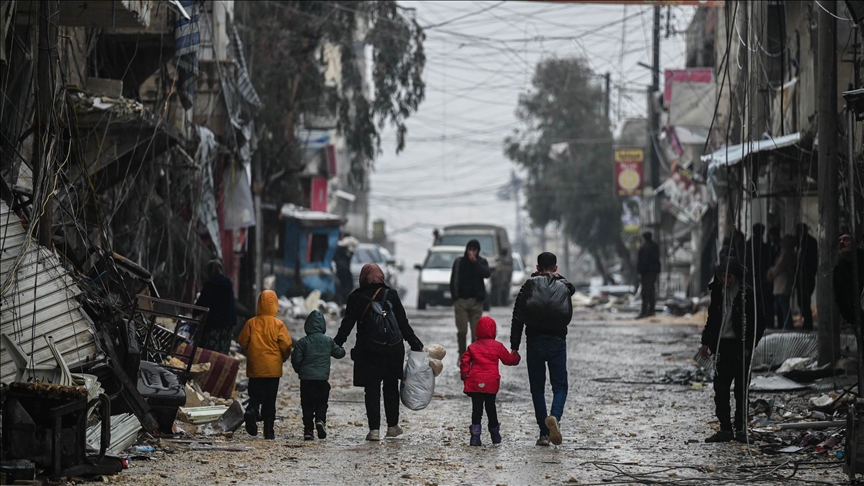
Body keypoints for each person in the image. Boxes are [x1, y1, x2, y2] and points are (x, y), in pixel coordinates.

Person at [335, 263, 424, 441]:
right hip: (393, 349)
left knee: (372, 389)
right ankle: (392, 426)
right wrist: (415, 343)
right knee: (391, 387)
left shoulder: (356, 297)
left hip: (369, 350)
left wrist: (336, 343)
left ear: (363, 277)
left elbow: (348, 324)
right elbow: (402, 323)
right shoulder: (391, 294)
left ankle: (374, 430)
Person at [510, 252, 576, 446]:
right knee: (560, 386)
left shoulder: (528, 285)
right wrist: (559, 278)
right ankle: (555, 416)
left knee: (537, 388)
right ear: (555, 268)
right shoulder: (563, 285)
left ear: (537, 267)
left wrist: (514, 346)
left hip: (534, 341)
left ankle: (544, 433)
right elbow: (572, 289)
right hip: (557, 341)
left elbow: (517, 316)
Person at [700, 257, 765, 443]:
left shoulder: (747, 294)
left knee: (741, 391)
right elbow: (712, 318)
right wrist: (706, 342)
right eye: (722, 275)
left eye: (729, 276)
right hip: (722, 346)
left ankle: (741, 429)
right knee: (720, 389)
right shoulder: (717, 292)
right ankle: (725, 429)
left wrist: (749, 346)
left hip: (740, 347)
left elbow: (759, 322)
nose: (725, 279)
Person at [238, 290, 293, 440]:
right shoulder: (279, 324)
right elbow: (287, 345)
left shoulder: (251, 323)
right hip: (273, 370)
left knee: (255, 396)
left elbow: (242, 342)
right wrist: (284, 357)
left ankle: (251, 411)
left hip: (255, 368)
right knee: (270, 400)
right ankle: (268, 431)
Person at [460, 316, 521, 446]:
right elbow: (508, 360)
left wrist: (465, 374)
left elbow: (464, 360)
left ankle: (475, 437)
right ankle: (495, 434)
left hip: (475, 382)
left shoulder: (473, 347)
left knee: (477, 409)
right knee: (491, 408)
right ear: (494, 331)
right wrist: (516, 357)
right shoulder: (497, 346)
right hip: (490, 382)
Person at [291, 310, 346, 440]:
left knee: (307, 405)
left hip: (306, 381)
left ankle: (308, 431)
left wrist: (300, 371)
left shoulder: (302, 342)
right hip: (322, 380)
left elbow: (296, 359)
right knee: (322, 403)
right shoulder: (328, 341)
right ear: (323, 325)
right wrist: (341, 348)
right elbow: (339, 353)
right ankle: (320, 421)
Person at [450, 239, 492, 355]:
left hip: (476, 302)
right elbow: (453, 280)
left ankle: (473, 355)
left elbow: (486, 274)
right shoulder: (459, 262)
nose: (472, 252)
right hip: (461, 302)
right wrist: (455, 297)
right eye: (470, 250)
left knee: (476, 333)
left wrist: (475, 263)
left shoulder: (481, 262)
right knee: (462, 331)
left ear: (478, 251)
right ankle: (462, 354)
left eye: (474, 250)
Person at [194, 259, 237, 355]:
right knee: (223, 350)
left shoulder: (210, 285)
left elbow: (200, 304)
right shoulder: (228, 284)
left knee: (211, 351)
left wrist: (194, 313)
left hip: (214, 324)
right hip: (228, 324)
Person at [767, 235, 797, 330]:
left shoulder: (787, 253)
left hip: (783, 282)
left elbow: (779, 266)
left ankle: (788, 325)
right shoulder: (784, 252)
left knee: (783, 304)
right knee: (780, 304)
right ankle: (784, 324)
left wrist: (771, 273)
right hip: (781, 282)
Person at [833, 234, 864, 326]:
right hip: (855, 318)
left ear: (856, 244)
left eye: (846, 239)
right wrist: (850, 318)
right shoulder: (839, 269)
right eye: (839, 241)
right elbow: (839, 297)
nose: (842, 242)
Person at [746, 223, 773, 323]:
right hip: (756, 276)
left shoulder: (752, 245)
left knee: (757, 299)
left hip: (757, 276)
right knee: (760, 299)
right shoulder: (756, 246)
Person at [794, 223, 818, 331]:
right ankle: (806, 322)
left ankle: (808, 323)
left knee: (805, 300)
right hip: (801, 276)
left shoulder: (810, 242)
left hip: (807, 275)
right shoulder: (798, 241)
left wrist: (810, 273)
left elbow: (813, 260)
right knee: (801, 301)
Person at [636, 232, 661, 318]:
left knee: (645, 292)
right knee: (651, 291)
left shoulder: (644, 248)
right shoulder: (655, 246)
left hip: (646, 273)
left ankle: (644, 311)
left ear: (644, 238)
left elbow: (643, 261)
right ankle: (651, 310)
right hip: (653, 272)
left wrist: (640, 272)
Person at [334, 234, 359, 305]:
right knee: (347, 285)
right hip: (343, 269)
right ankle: (343, 301)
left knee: (344, 285)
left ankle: (343, 301)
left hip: (340, 268)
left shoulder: (340, 247)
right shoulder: (343, 247)